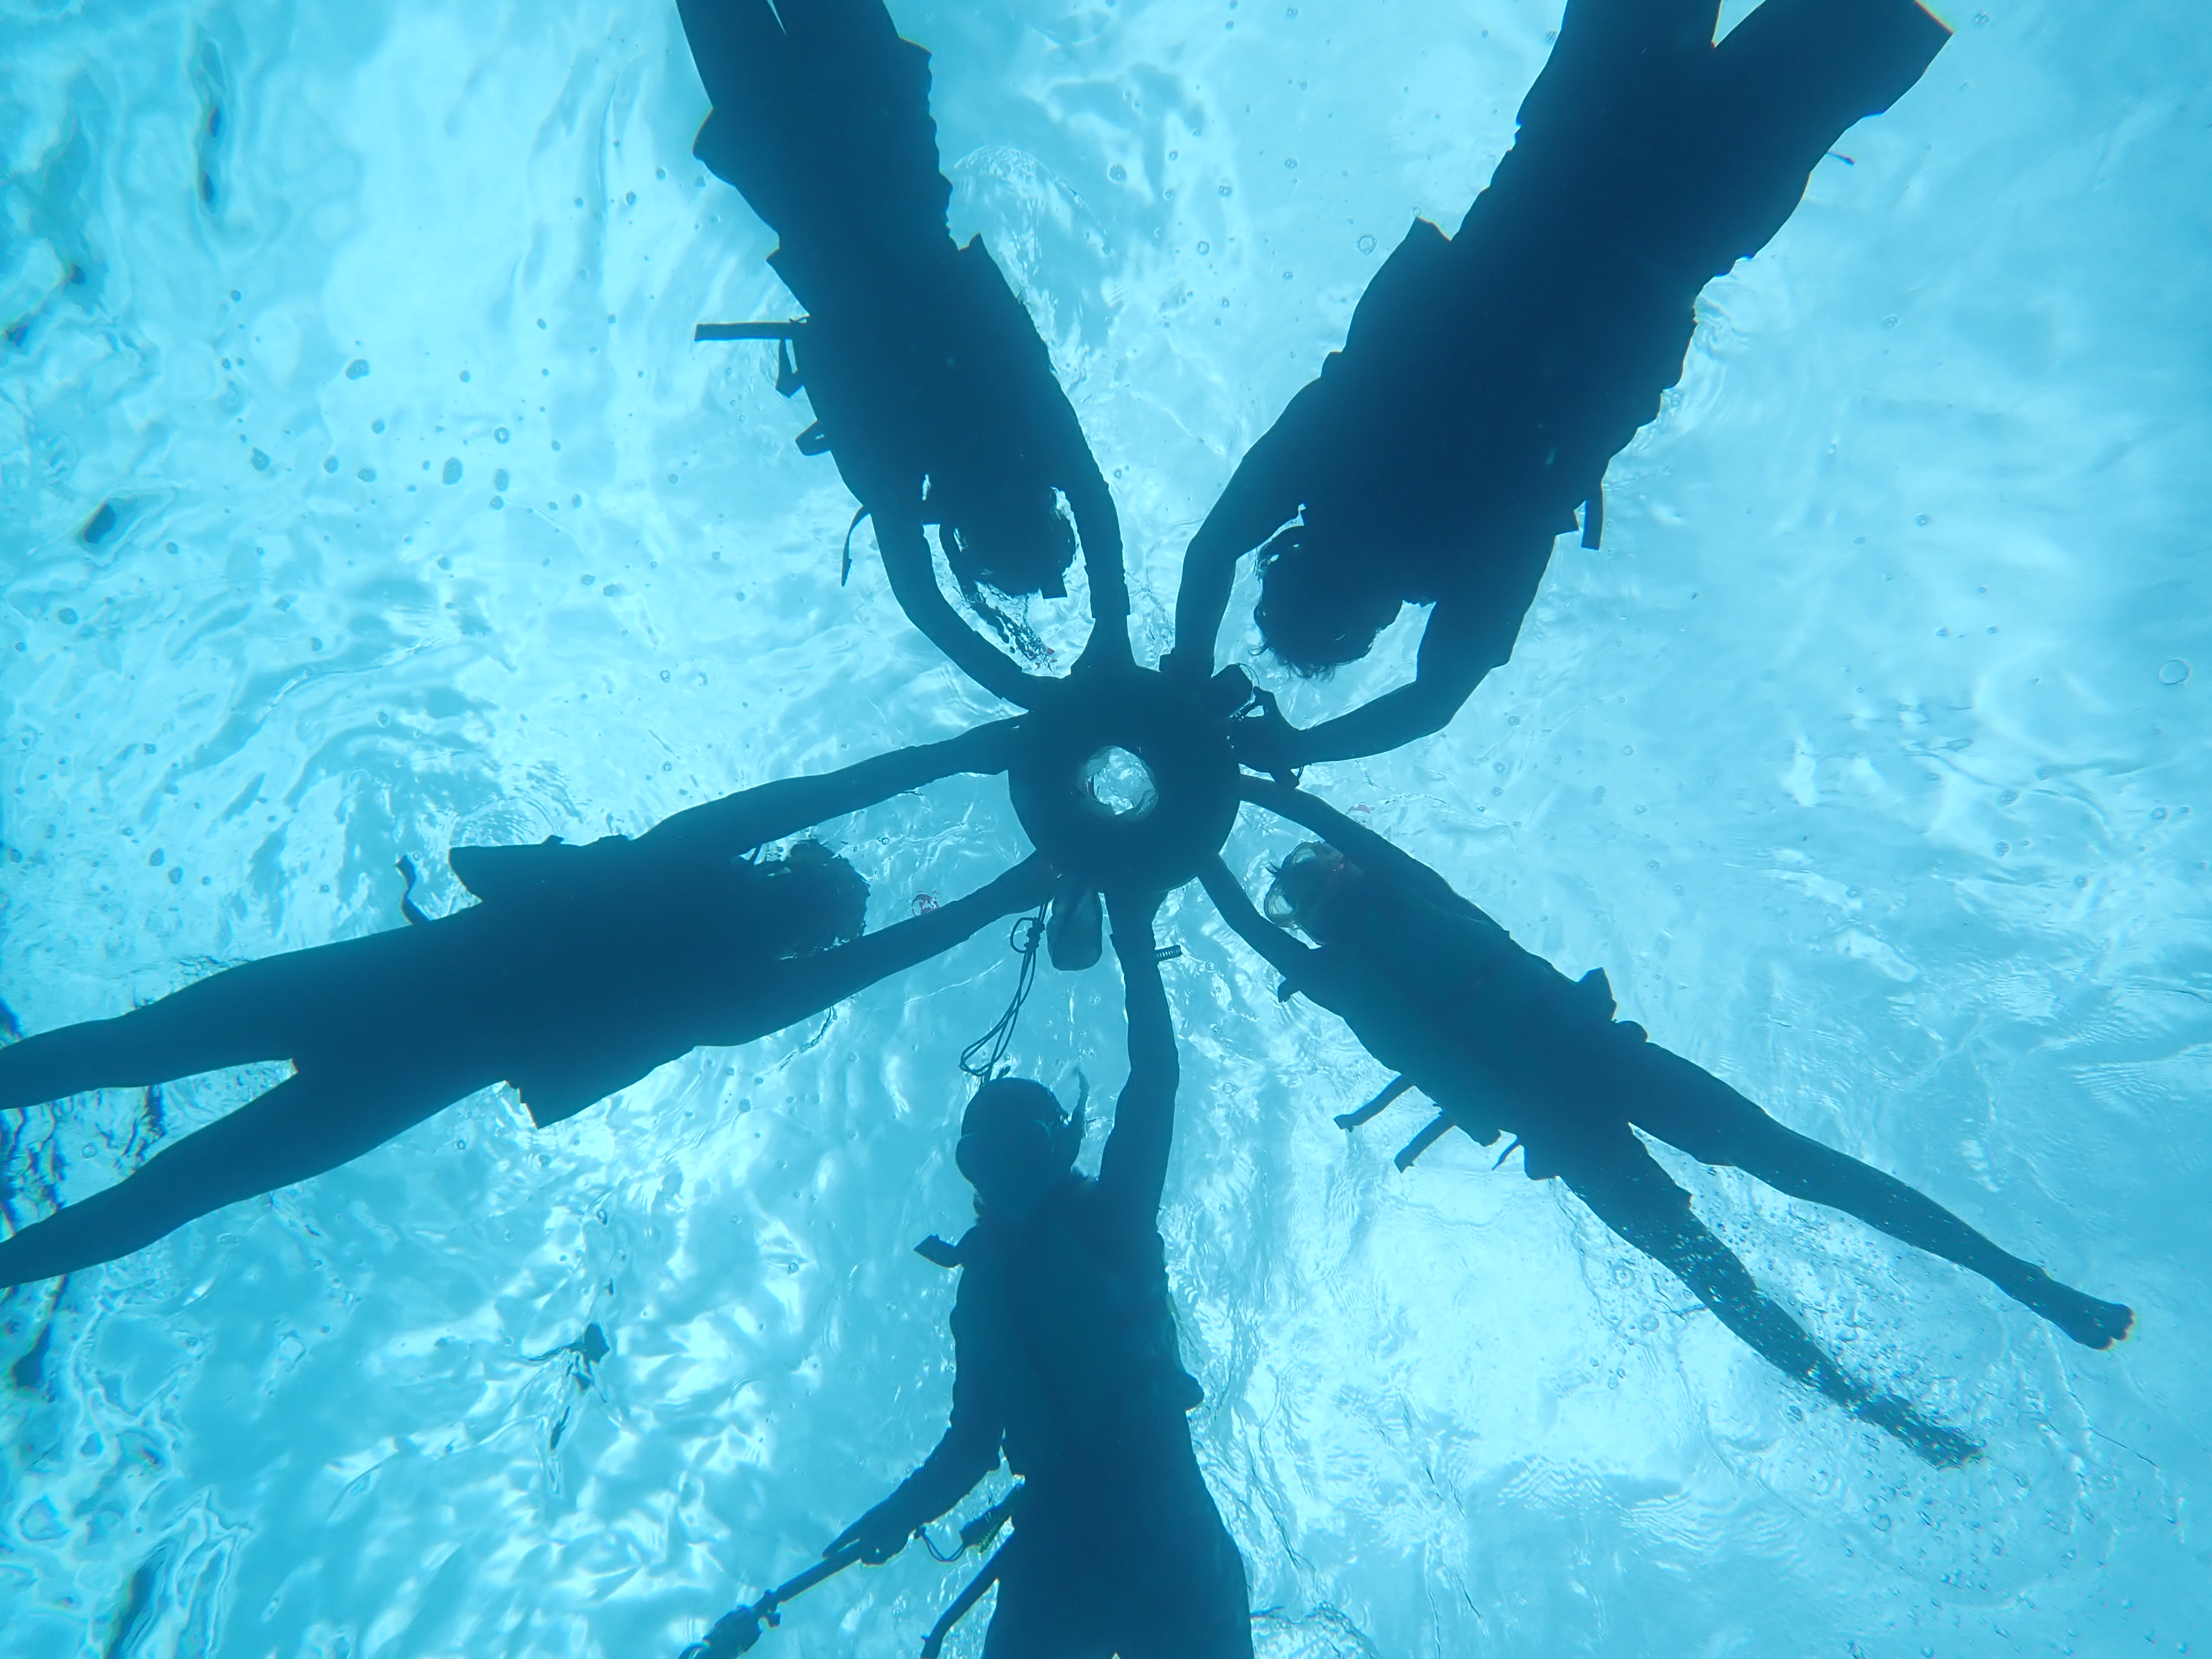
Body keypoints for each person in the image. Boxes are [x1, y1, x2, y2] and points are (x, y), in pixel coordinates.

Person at [1198, 784, 2134, 1468]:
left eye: (1317, 873)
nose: (1322, 883)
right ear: (1331, 895)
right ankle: (1887, 1407)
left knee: (1762, 1211)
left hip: (1576, 1096)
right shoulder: (1354, 949)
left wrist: (1225, 792)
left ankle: (1998, 1300)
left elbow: (1274, 891)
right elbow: (1258, 914)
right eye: (1315, 882)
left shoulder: (1398, 904)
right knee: (1751, 1224)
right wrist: (1218, 805)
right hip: (1581, 1090)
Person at [1169, 0, 1952, 769]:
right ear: (1294, 550)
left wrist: (1304, 749)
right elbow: (1213, 548)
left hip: (1688, 219)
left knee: (1858, 23)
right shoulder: (1331, 455)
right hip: (1577, 141)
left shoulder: (1472, 547)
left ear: (1371, 620)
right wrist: (1185, 670)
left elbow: (1436, 699)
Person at [0, 724, 1050, 1288]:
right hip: (402, 1078)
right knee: (177, 1184)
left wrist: (964, 752)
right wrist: (1003, 892)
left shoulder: (678, 869)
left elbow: (816, 797)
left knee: (126, 1052)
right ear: (800, 934)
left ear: (776, 877)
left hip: (371, 988)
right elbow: (875, 946)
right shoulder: (733, 995)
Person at [825, 889, 1253, 1657]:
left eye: (1021, 1148)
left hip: (1160, 1522)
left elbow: (1154, 1081)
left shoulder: (1110, 1220)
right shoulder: (978, 1293)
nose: (1007, 1174)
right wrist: (901, 1512)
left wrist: (1135, 932)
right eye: (986, 1158)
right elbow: (971, 1443)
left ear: (1058, 1147)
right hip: (1060, 1542)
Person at [676, 0, 1129, 705]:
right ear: (967, 541)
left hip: (880, 143)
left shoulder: (1028, 430)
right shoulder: (904, 466)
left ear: (1045, 511)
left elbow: (1094, 510)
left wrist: (1110, 633)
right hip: (791, 170)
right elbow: (922, 599)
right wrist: (1034, 688)